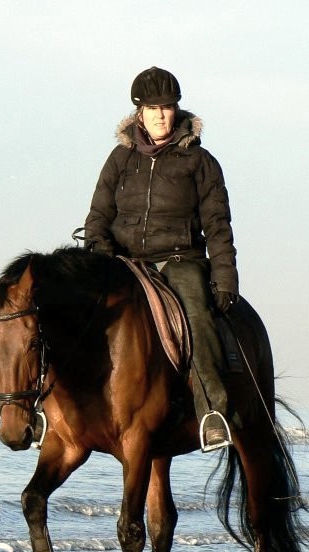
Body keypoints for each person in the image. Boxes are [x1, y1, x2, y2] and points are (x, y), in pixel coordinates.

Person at [84, 66, 239, 452]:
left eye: (166, 107)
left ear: (177, 111)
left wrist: (225, 279)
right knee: (72, 311)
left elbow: (218, 227)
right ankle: (58, 414)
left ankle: (212, 413)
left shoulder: (200, 163)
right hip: (124, 261)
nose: (159, 115)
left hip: (178, 259)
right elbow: (98, 217)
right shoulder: (119, 160)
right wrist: (100, 254)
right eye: (152, 108)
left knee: (198, 315)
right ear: (139, 114)